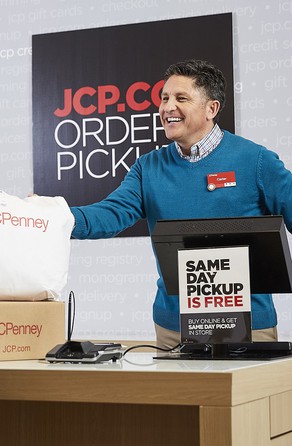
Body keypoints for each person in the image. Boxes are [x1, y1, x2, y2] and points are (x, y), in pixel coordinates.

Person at [70, 59, 292, 349]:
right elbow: (109, 215)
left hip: (248, 324)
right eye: (164, 98)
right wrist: (50, 216)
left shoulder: (257, 161)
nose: (166, 107)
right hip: (173, 327)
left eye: (181, 98)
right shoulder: (147, 168)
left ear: (211, 109)